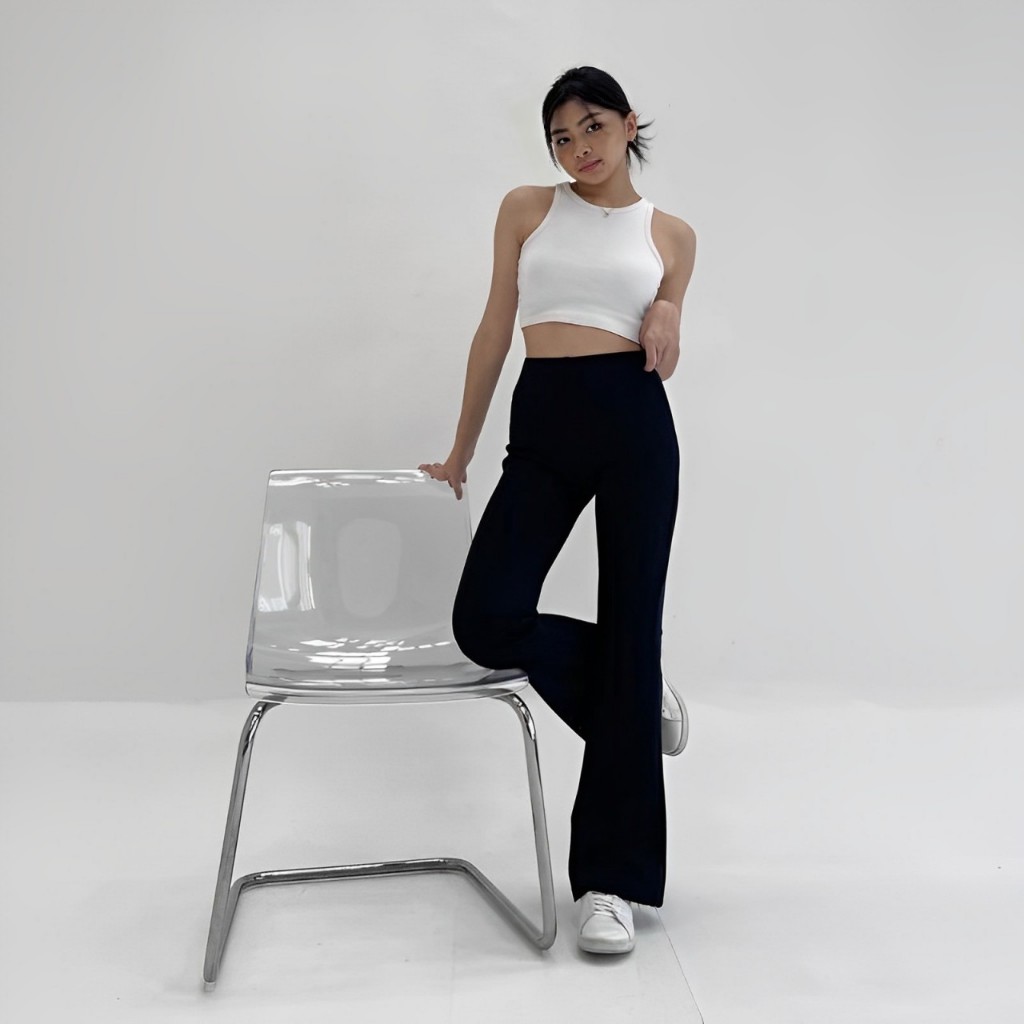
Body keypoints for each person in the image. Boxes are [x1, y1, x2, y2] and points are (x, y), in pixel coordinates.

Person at [419, 66, 696, 956]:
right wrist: (461, 449)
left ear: (629, 124)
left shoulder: (672, 235)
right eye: (562, 138)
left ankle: (610, 886)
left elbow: (665, 327)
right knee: (486, 617)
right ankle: (633, 684)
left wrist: (668, 310)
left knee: (633, 621)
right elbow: (494, 328)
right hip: (544, 418)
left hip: (634, 423)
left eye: (593, 128)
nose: (579, 149)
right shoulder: (526, 209)